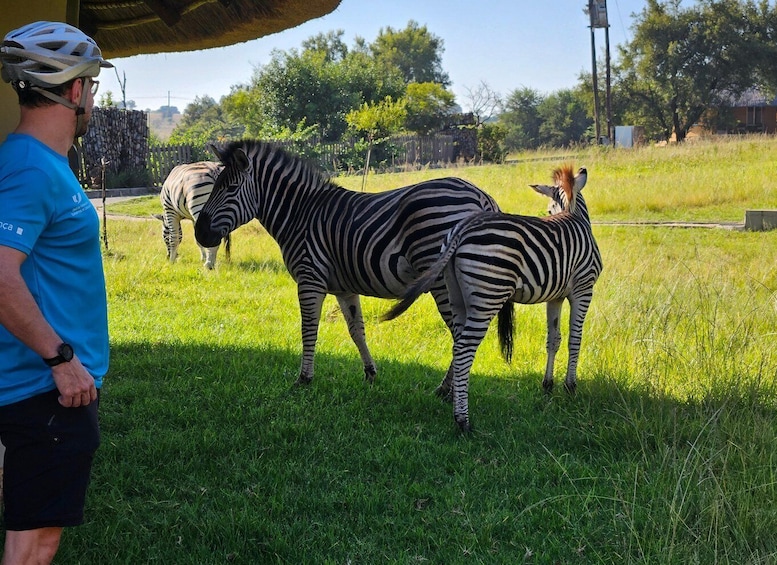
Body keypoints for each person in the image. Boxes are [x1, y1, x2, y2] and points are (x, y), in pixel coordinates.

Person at [0, 21, 112, 564]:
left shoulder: (38, 163)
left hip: (41, 387)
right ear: (74, 90)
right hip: (44, 390)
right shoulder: (30, 168)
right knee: (34, 544)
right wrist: (62, 359)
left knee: (31, 531)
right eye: (91, 86)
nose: (92, 98)